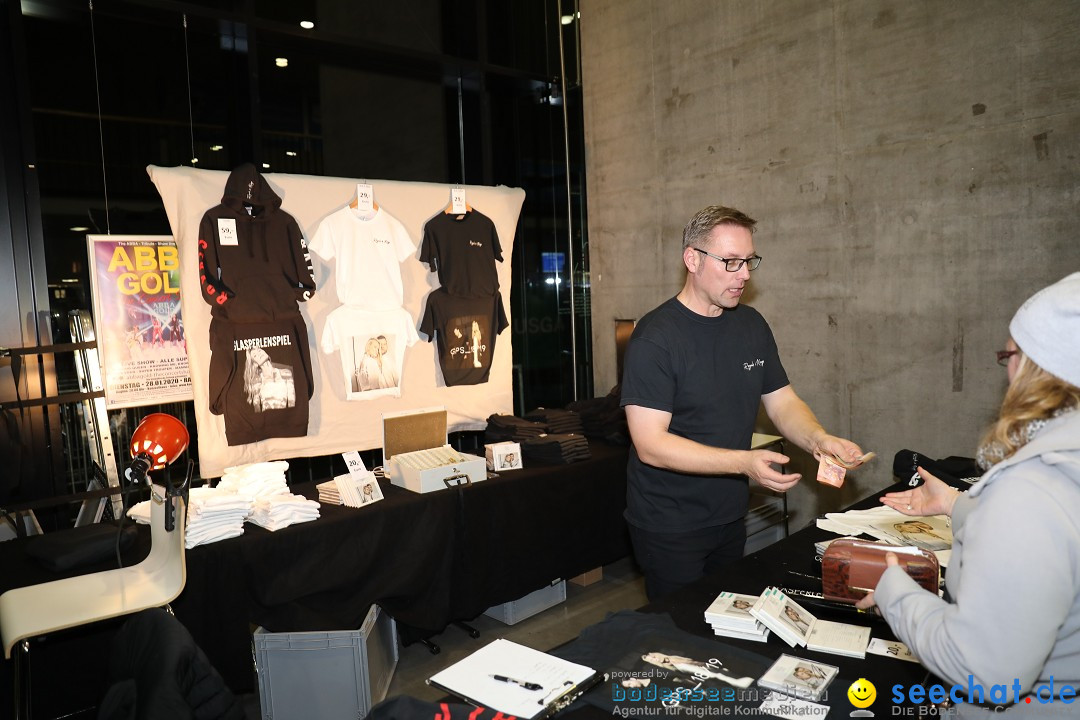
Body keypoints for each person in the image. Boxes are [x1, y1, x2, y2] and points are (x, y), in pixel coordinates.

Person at [857, 272, 1080, 712]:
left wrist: (892, 591)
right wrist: (956, 505)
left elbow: (982, 668)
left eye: (1009, 354)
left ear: (1035, 365)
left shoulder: (1030, 492)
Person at [620, 205, 864, 600]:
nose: (745, 274)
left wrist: (818, 440)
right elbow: (651, 445)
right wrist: (743, 463)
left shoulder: (751, 325)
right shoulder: (656, 338)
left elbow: (782, 402)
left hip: (730, 513)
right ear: (692, 259)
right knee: (679, 637)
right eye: (731, 262)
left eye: (749, 261)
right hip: (670, 522)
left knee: (724, 621)